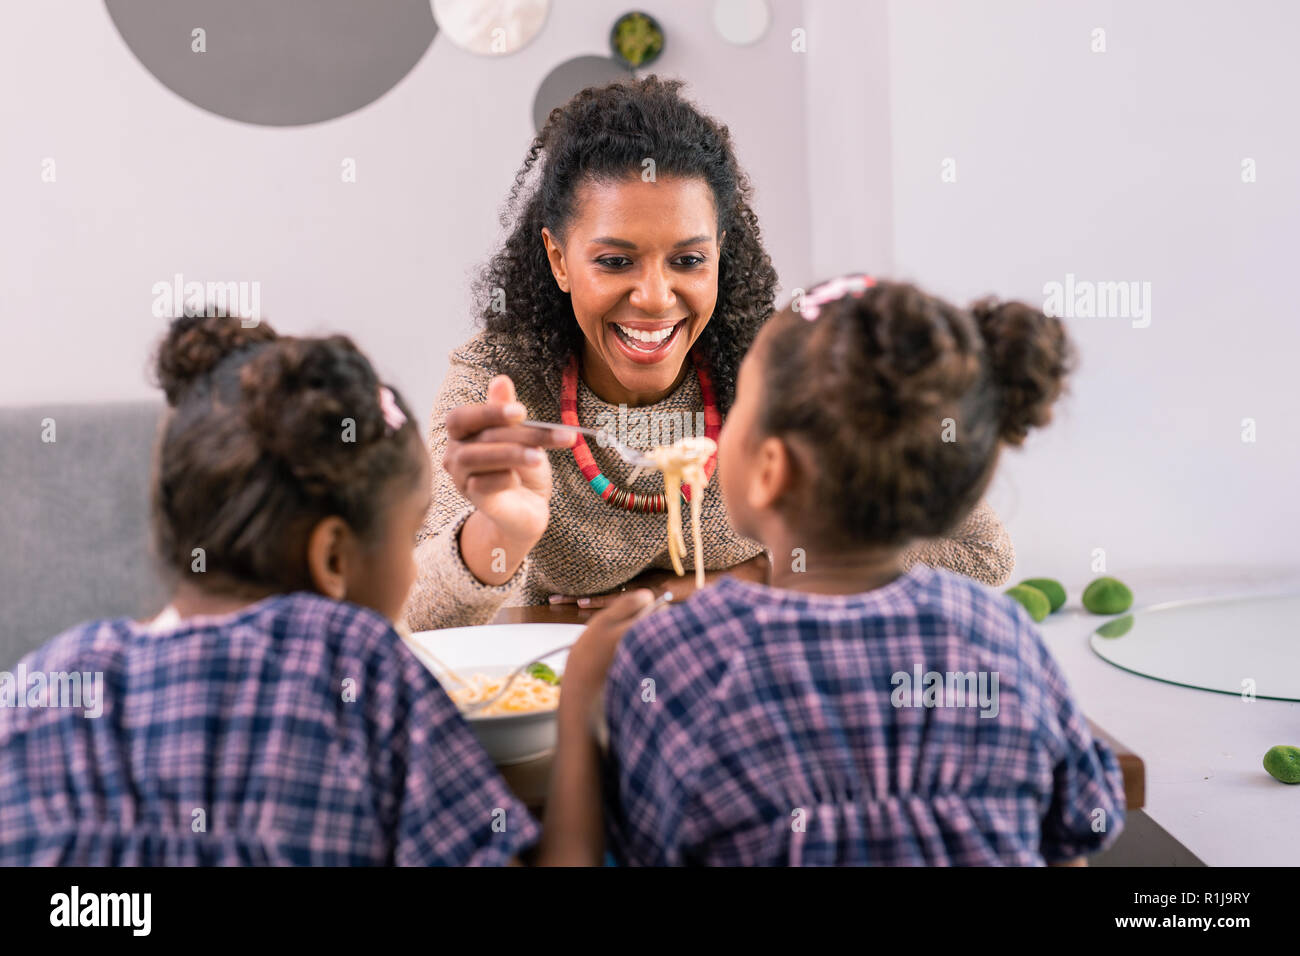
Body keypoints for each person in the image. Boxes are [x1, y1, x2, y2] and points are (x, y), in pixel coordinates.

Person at [545, 276, 1126, 866]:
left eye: (742, 403)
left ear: (771, 469)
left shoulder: (678, 656)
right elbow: (1067, 844)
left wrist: (579, 699)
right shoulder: (1006, 639)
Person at [406, 78, 1014, 631]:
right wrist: (498, 534)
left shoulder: (781, 369)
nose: (653, 296)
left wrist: (742, 581)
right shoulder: (500, 387)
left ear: (720, 253)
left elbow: (978, 554)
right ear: (560, 259)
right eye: (615, 262)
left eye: (688, 260)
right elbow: (412, 614)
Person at [0, 315, 537, 865]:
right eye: (407, 537)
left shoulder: (43, 685)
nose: (414, 571)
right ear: (332, 558)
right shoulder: (360, 668)